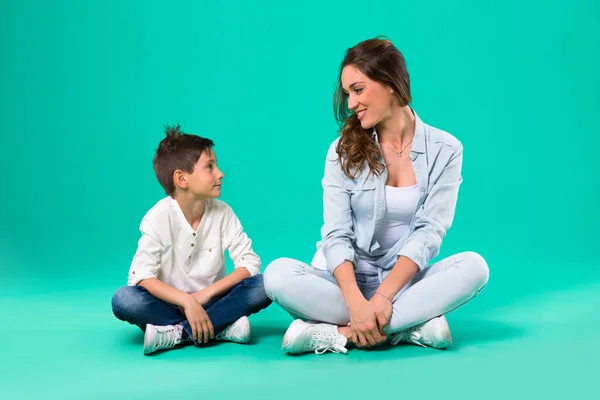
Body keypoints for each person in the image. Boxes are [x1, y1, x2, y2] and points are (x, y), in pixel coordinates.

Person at [263, 38, 489, 355]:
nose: (351, 104)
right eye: (347, 94)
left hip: (402, 284)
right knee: (277, 275)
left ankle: (335, 333)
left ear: (391, 84)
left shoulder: (447, 150)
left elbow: (430, 231)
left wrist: (384, 297)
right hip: (345, 285)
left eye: (358, 90)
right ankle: (409, 327)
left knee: (475, 267)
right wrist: (357, 302)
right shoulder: (341, 151)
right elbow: (336, 234)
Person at [111, 124, 271, 355]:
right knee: (124, 299)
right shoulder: (157, 217)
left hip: (214, 299)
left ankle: (178, 333)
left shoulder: (223, 212)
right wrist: (187, 302)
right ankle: (219, 327)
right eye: (209, 167)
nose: (220, 173)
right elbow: (141, 275)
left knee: (266, 285)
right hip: (170, 303)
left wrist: (203, 296)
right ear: (181, 179)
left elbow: (249, 263)